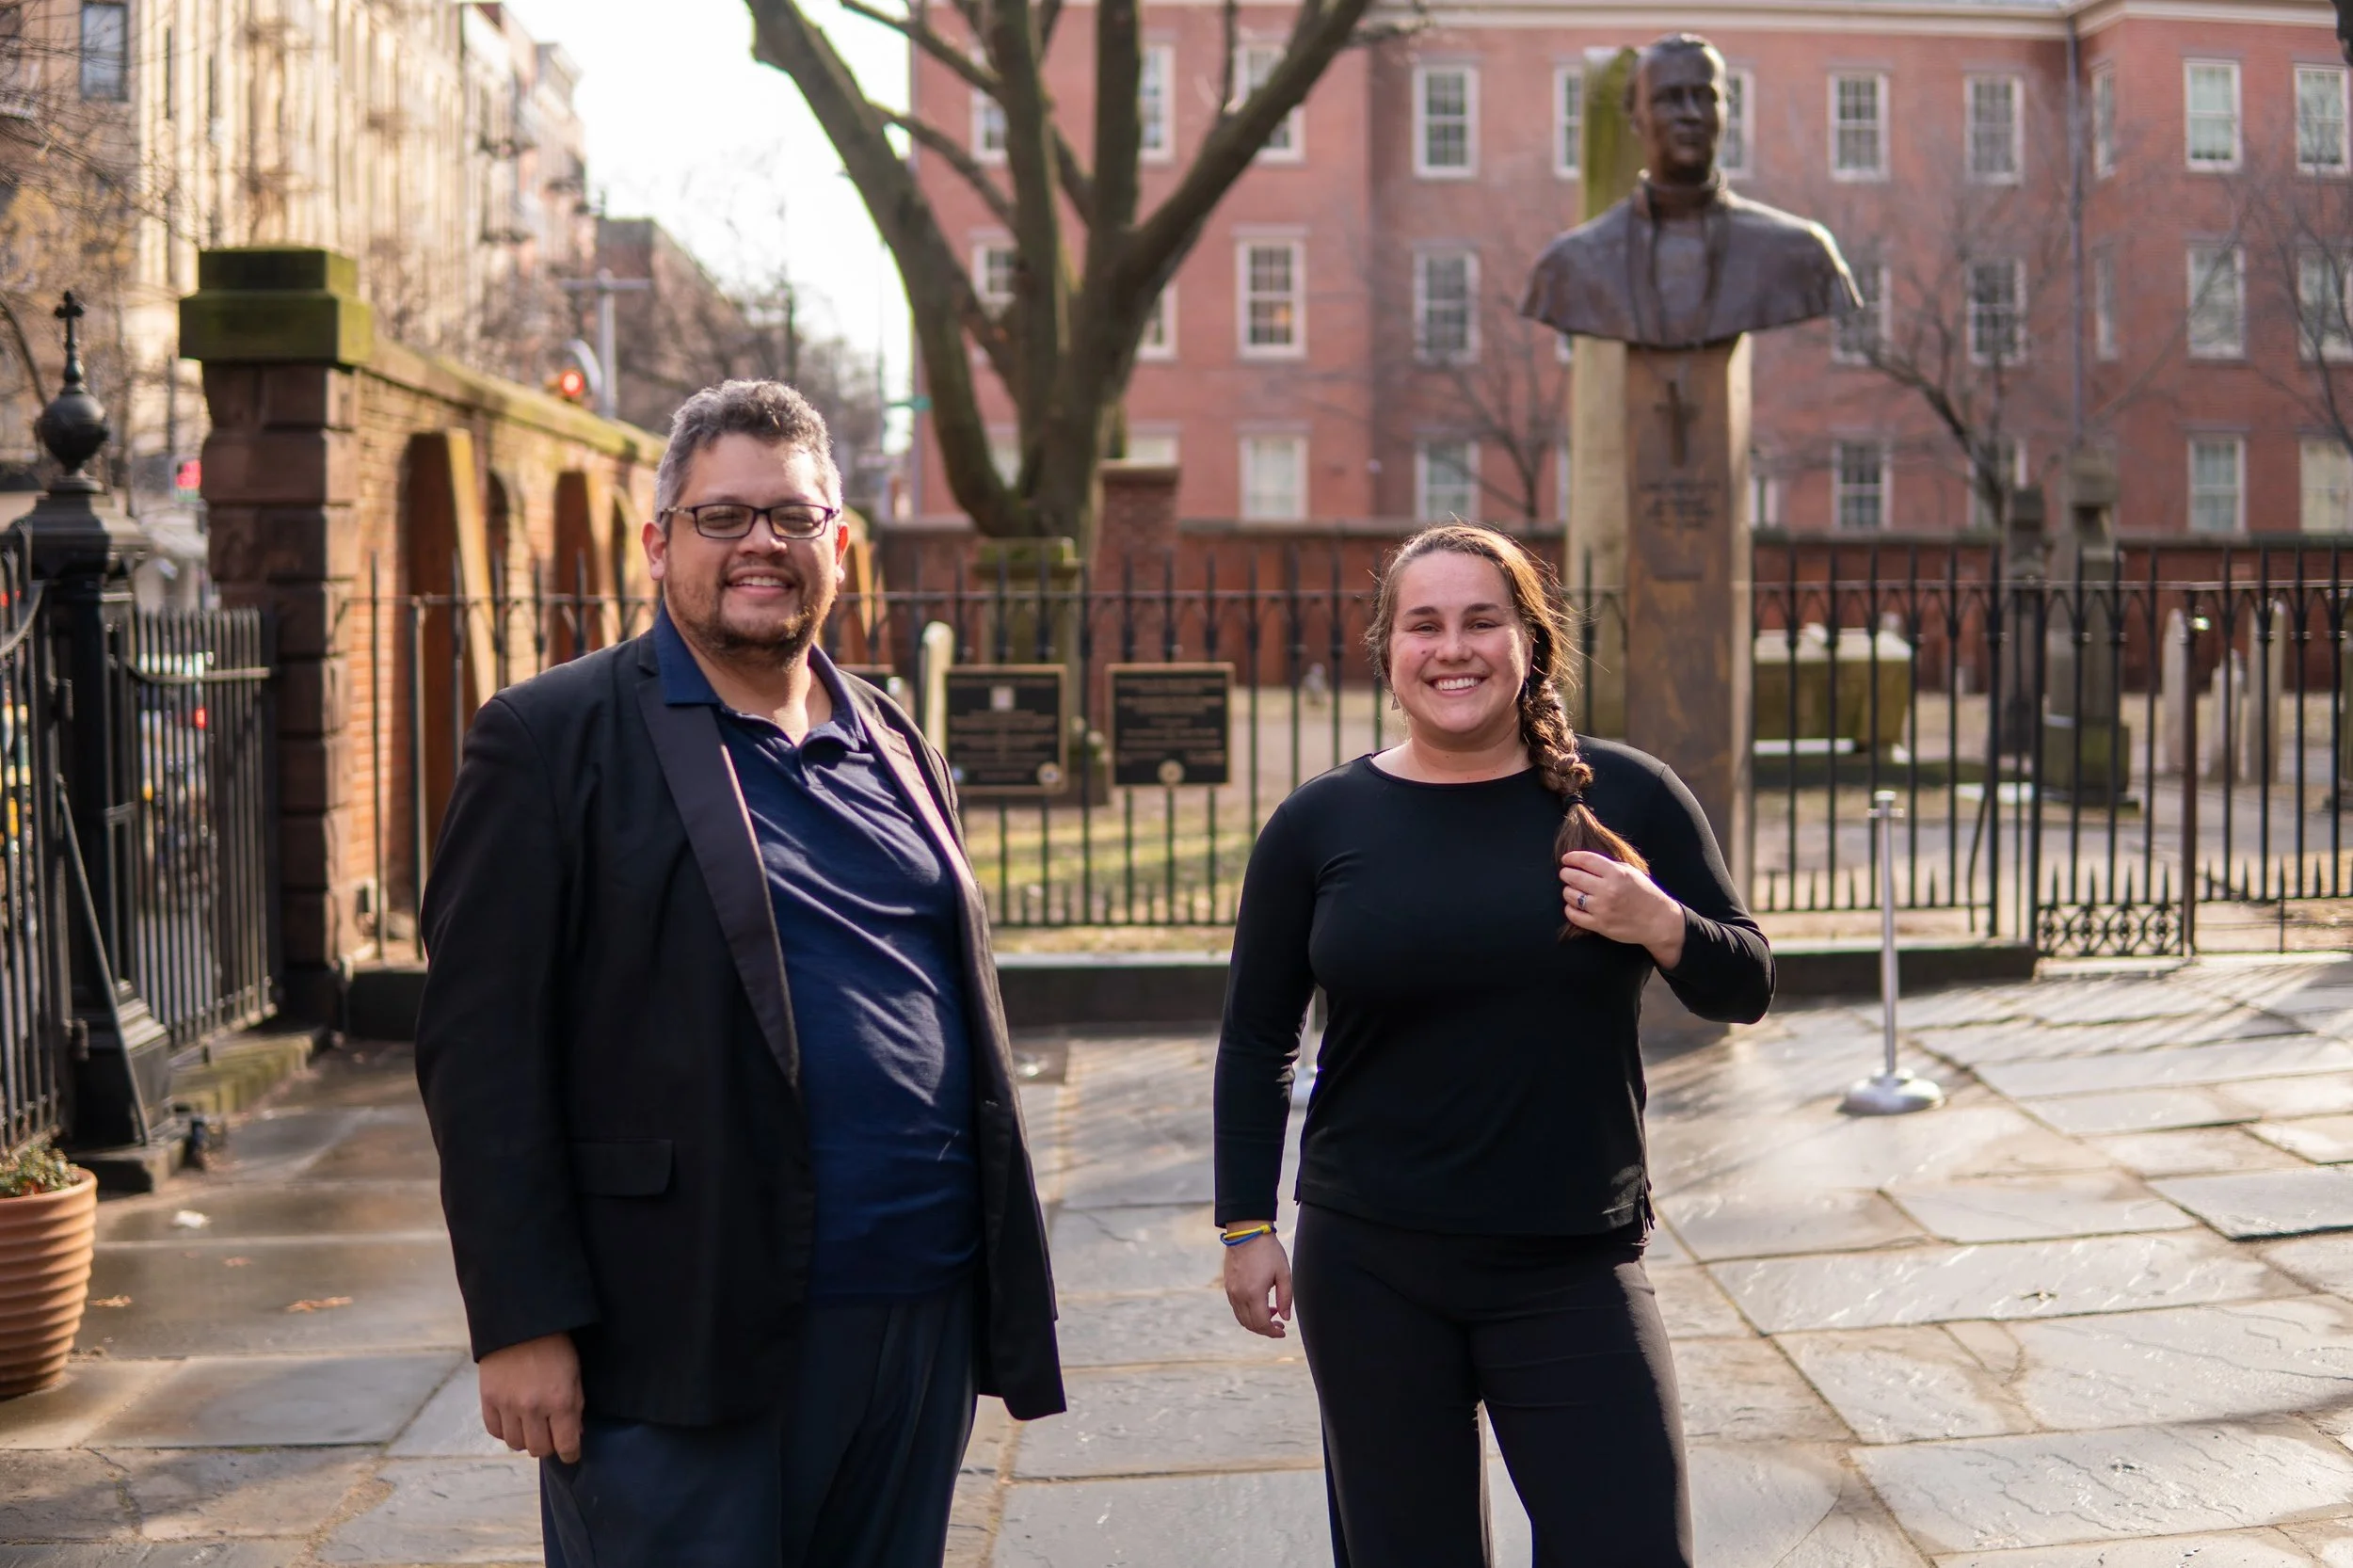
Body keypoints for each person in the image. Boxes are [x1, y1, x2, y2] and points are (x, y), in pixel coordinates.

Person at [413, 380, 1064, 1567]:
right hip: (680, 1324)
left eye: (792, 516)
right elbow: (479, 1051)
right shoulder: (550, 738)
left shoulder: (894, 739)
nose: (761, 541)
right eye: (722, 516)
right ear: (660, 543)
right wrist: (520, 1318)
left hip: (917, 1313)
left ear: (838, 546)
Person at [1212, 523, 1773, 1567]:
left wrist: (1660, 922)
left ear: (1530, 643)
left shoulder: (1627, 796)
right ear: (1387, 651)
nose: (1452, 648)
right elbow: (1255, 1037)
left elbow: (1745, 983)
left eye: (1481, 621)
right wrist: (1246, 1224)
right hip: (1370, 1264)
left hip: (1572, 1258)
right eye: (1423, 625)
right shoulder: (1319, 824)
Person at [1522, 34, 1858, 348]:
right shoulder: (1570, 265)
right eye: (1669, 99)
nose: (1691, 114)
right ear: (1635, 116)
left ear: (1726, 111)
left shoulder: (1801, 253)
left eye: (1705, 97)